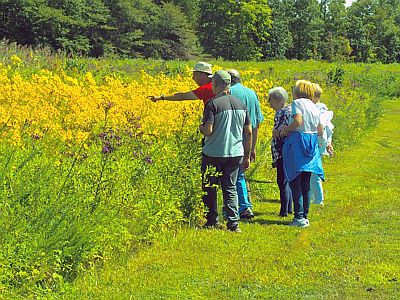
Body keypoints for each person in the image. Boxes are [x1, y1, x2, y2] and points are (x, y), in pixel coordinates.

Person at [199, 70, 252, 232]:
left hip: (214, 152)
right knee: (230, 188)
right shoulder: (241, 104)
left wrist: (200, 127)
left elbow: (208, 130)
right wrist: (247, 156)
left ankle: (212, 221)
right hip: (235, 153)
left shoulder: (212, 104)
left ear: (215, 84)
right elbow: (248, 131)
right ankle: (233, 224)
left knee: (210, 187)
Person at [280, 80, 324, 228]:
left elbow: (298, 121)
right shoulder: (314, 106)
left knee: (294, 180)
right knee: (306, 182)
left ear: (298, 91)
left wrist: (287, 128)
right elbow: (320, 130)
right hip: (311, 142)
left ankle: (298, 217)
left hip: (298, 141)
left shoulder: (297, 103)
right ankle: (305, 215)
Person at [226, 69, 264, 220]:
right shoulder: (251, 93)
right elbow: (256, 122)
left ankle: (242, 207)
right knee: (239, 173)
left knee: (235, 174)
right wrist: (252, 147)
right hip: (248, 138)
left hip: (233, 138)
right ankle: (244, 205)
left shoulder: (229, 93)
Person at [268, 87, 293, 217]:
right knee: (285, 180)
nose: (269, 103)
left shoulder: (285, 112)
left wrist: (278, 132)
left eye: (270, 100)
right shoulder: (283, 111)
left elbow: (287, 129)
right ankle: (288, 208)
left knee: (282, 180)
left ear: (279, 101)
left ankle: (284, 211)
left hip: (283, 151)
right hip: (281, 151)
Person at [310, 83, 334, 206]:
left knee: (314, 172)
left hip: (316, 143)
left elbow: (324, 127)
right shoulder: (317, 108)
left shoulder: (320, 109)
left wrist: (328, 143)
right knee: (311, 172)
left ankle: (318, 200)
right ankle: (311, 197)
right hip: (317, 142)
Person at [149, 61, 215, 106]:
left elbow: (183, 96)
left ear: (202, 75)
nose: (193, 78)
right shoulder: (217, 84)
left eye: (195, 75)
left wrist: (161, 97)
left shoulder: (206, 88)